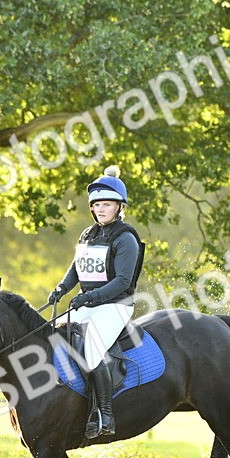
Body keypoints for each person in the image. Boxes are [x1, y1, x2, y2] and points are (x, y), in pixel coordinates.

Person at [48, 165, 146, 438]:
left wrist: (89, 298)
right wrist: (61, 287)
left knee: (91, 351)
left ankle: (104, 413)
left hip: (115, 306)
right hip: (88, 303)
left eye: (107, 204)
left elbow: (123, 282)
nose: (101, 209)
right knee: (53, 336)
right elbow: (76, 270)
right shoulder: (88, 234)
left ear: (119, 206)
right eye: (97, 205)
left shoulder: (125, 237)